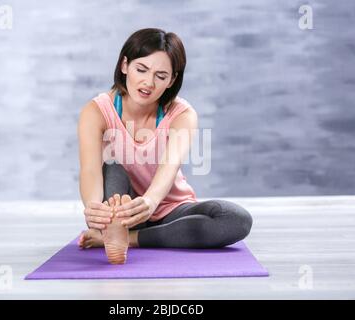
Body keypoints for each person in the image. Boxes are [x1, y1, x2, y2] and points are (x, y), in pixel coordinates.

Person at [77, 28, 253, 264]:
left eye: (160, 76)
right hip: (121, 208)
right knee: (111, 165)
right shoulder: (96, 111)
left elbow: (168, 170)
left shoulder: (183, 114)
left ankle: (130, 237)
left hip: (171, 211)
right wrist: (94, 208)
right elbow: (89, 170)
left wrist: (149, 203)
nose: (148, 82)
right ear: (124, 65)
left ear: (171, 80)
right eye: (141, 69)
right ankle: (113, 226)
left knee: (236, 219)